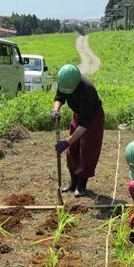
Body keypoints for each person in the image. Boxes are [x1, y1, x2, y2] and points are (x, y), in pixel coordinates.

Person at [51, 64, 104, 197]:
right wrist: (56, 110)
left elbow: (84, 125)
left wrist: (66, 142)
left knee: (87, 150)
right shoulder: (65, 80)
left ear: (76, 83)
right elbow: (59, 98)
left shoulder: (88, 90)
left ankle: (81, 185)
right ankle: (73, 182)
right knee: (72, 149)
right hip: (78, 114)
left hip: (92, 118)